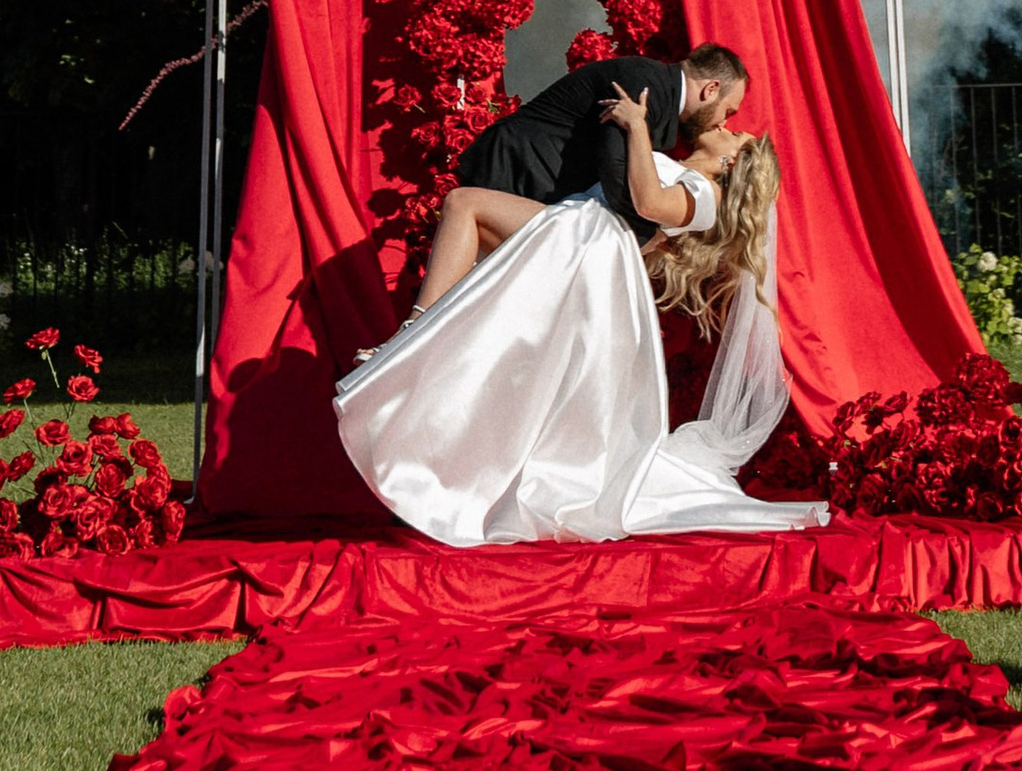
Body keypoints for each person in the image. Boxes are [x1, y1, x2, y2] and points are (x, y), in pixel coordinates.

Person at [335, 74, 828, 543]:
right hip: (577, 232)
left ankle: (413, 341)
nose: (725, 126)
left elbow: (650, 202)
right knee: (478, 259)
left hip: (590, 247)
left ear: (731, 165)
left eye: (735, 135)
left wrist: (635, 125)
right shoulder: (688, 174)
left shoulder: (705, 196)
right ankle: (425, 364)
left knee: (466, 207)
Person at [432, 41, 749, 299]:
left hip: (546, 196)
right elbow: (616, 172)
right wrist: (644, 235)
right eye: (728, 110)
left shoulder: (660, 98)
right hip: (515, 170)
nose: (723, 121)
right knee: (474, 289)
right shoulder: (644, 85)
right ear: (710, 89)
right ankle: (419, 336)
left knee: (487, 295)